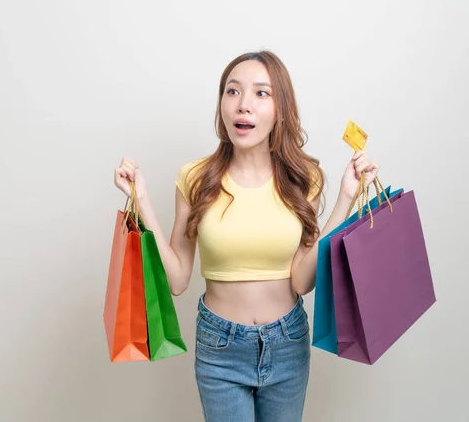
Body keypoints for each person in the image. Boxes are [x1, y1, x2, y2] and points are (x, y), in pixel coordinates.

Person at [114, 50, 379, 422]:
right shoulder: (195, 178)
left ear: (281, 109)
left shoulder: (303, 179)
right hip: (219, 347)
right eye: (233, 91)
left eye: (261, 93)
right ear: (221, 104)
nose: (243, 105)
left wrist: (346, 199)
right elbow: (176, 280)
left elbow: (303, 281)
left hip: (288, 342)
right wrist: (141, 199)